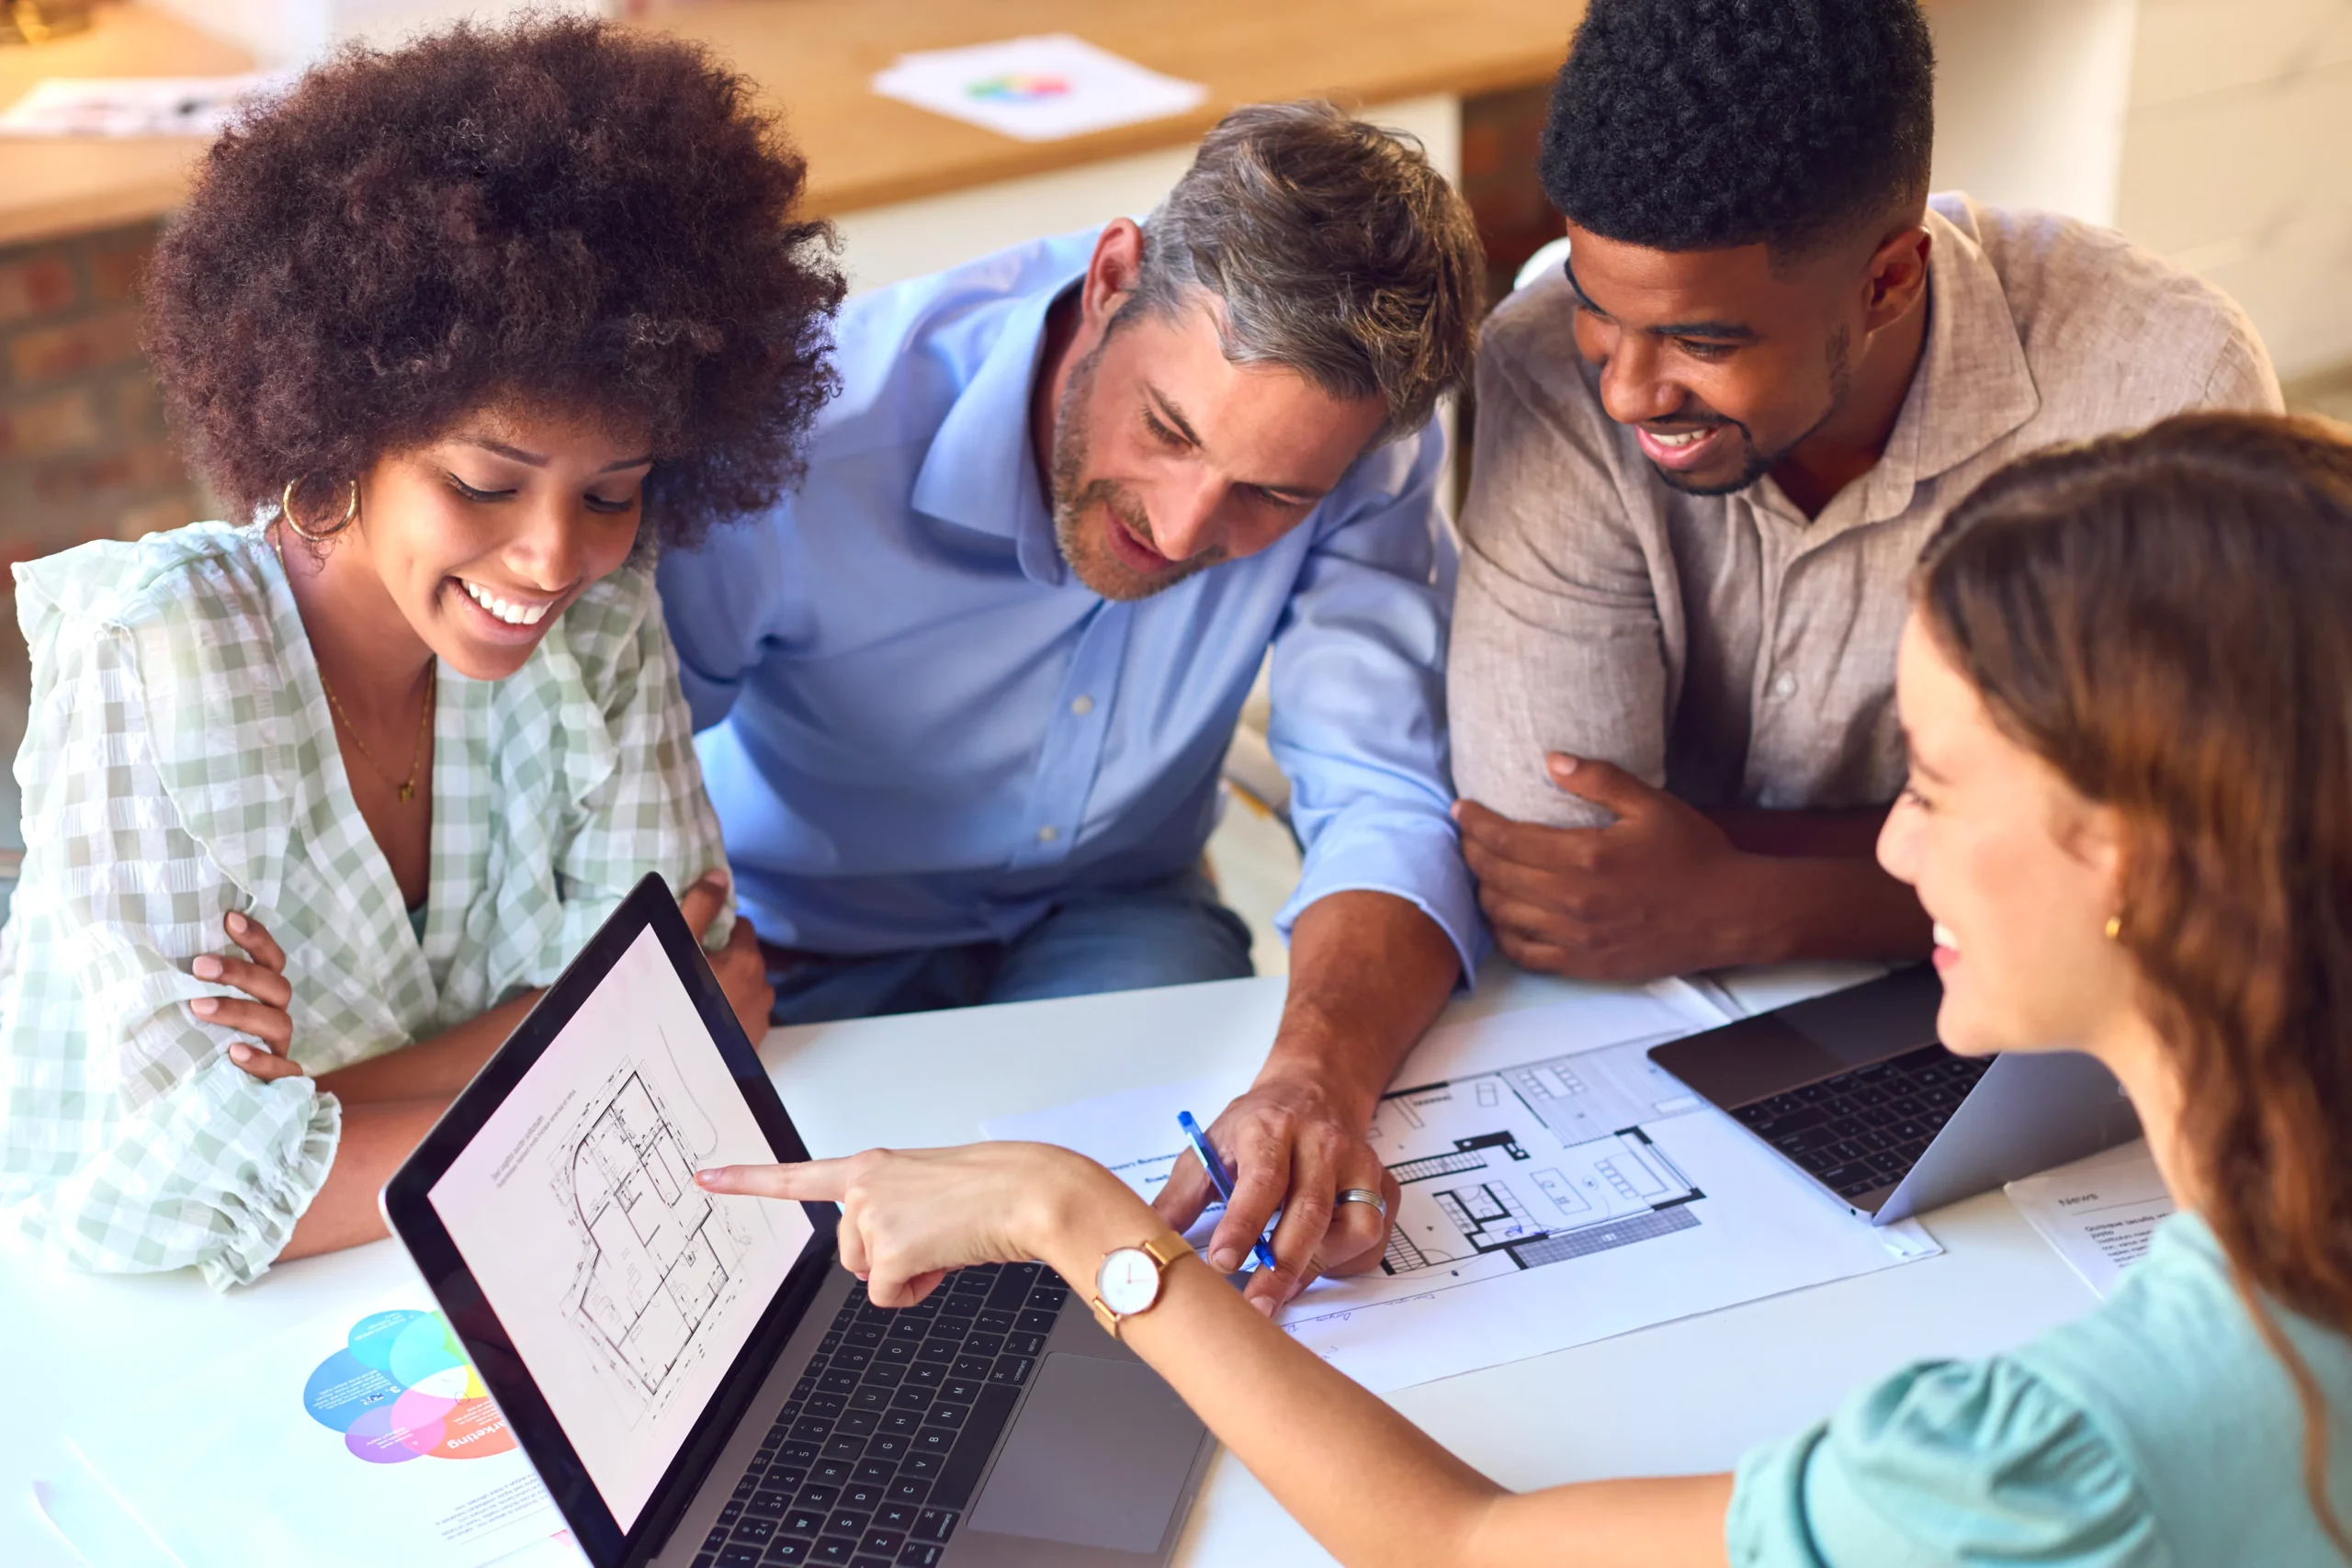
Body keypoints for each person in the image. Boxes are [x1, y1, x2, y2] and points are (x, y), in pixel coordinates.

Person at [699, 412, 2352, 1566]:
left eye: (1930, 783)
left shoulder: (2049, 1461)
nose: (1897, 853)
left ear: (2133, 856)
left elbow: (1459, 1544)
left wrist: (1080, 1218)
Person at [0, 18, 842, 1287]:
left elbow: (689, 1010)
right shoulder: (160, 654)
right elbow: (164, 1178)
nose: (556, 556)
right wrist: (546, 1063)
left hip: (493, 1273)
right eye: (482, 482)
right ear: (338, 437)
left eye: (610, 493)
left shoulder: (604, 620)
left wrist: (319, 1095)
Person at [656, 101, 1486, 1311]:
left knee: (1183, 1280)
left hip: (1114, 916)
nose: (1186, 528)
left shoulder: (1367, 458)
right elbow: (597, 764)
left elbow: (1382, 793)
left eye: (1269, 493)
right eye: (1167, 429)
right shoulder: (802, 439)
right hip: (798, 950)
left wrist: (1319, 1071)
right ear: (1111, 280)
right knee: (807, 1314)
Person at [1446, 0, 2282, 983]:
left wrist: (1754, 906)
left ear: (1888, 282)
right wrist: (2003, 841)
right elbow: (1562, 859)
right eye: (1598, 309)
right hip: (1646, 1010)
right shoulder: (1545, 367)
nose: (1627, 392)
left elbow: (2195, 845)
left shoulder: (2165, 388)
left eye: (1704, 342)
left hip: (2051, 998)